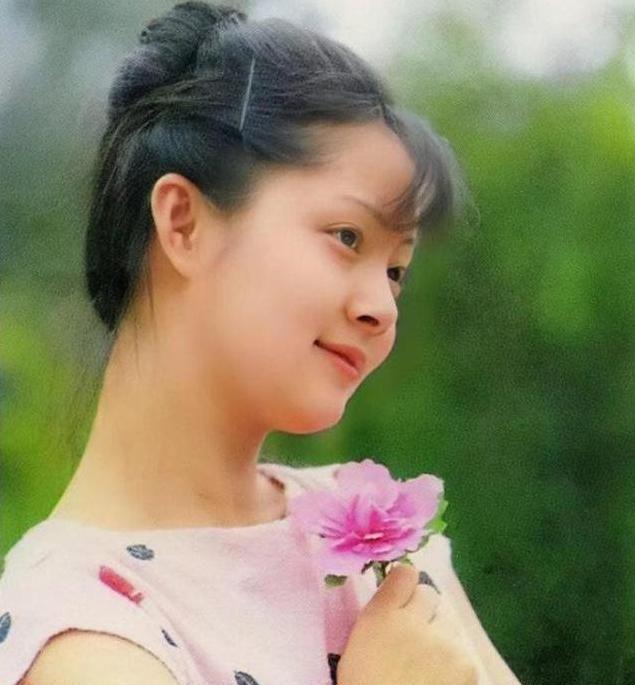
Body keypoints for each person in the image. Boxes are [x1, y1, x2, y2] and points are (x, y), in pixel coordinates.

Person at [0, 2, 523, 684]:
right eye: (347, 237)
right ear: (183, 224)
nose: (382, 307)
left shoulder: (375, 546)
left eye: (396, 270)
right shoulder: (83, 636)